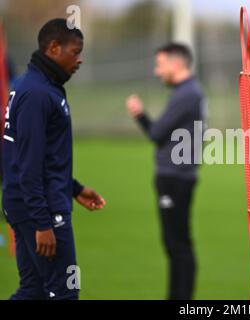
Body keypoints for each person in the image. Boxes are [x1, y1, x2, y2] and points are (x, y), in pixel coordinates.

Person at [2, 18, 106, 300]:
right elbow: (27, 165)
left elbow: (40, 157)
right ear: (54, 48)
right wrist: (43, 223)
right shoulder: (37, 93)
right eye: (75, 51)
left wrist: (74, 188)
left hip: (27, 204)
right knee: (64, 292)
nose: (80, 59)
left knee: (34, 291)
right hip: (42, 211)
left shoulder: (38, 84)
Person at [125, 43, 205, 300]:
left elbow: (156, 133)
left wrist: (139, 115)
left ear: (176, 63)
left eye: (160, 65)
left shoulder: (187, 93)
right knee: (176, 244)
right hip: (178, 177)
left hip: (175, 178)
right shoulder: (189, 91)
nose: (157, 72)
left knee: (177, 245)